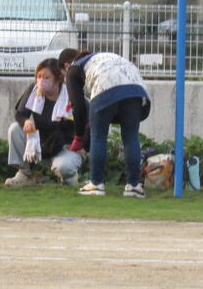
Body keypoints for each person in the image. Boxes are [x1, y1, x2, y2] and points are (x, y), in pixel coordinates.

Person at [61, 50, 151, 198]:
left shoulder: (73, 69)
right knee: (131, 137)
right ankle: (134, 185)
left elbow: (78, 107)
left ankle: (96, 183)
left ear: (66, 66)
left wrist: (78, 137)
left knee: (98, 136)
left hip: (105, 85)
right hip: (136, 88)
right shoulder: (104, 57)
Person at [5, 58, 83, 187]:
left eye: (46, 77)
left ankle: (69, 178)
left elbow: (88, 121)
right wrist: (26, 121)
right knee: (15, 128)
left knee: (65, 167)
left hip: (66, 146)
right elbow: (20, 114)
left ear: (58, 79)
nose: (41, 81)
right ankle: (24, 174)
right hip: (41, 143)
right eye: (39, 76)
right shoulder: (34, 91)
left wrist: (83, 145)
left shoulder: (71, 95)